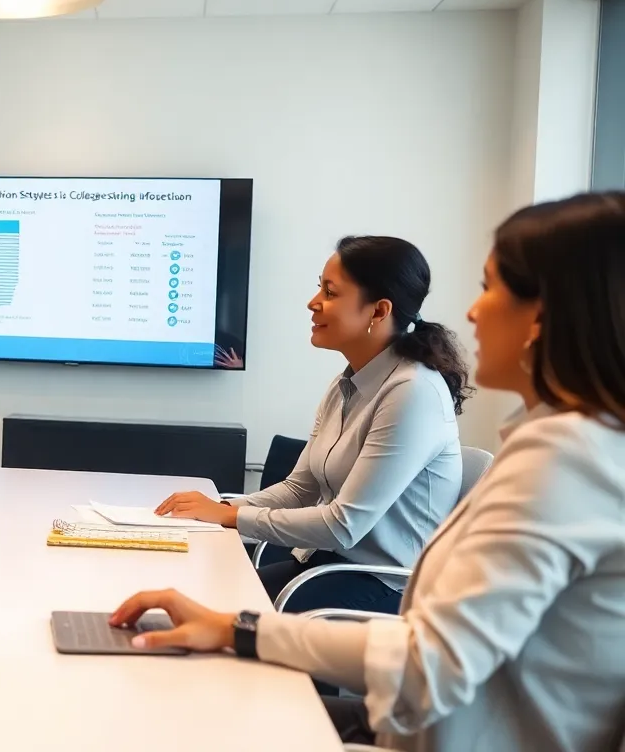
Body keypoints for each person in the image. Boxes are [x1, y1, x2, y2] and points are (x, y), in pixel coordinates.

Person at [114, 193, 625, 752]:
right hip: (419, 714)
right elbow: (304, 489)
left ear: (545, 316)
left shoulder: (562, 460)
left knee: (225, 708)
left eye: (490, 288)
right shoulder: (553, 446)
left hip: (412, 679)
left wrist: (242, 625)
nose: (472, 312)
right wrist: (225, 521)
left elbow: (432, 661)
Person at [154, 236, 470, 614]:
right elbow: (298, 489)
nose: (313, 302)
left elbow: (343, 525)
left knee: (217, 621)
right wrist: (217, 508)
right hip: (327, 567)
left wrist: (231, 516)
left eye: (330, 292)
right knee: (197, 599)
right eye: (319, 287)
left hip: (385, 587)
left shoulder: (413, 392)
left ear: (379, 311)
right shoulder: (346, 384)